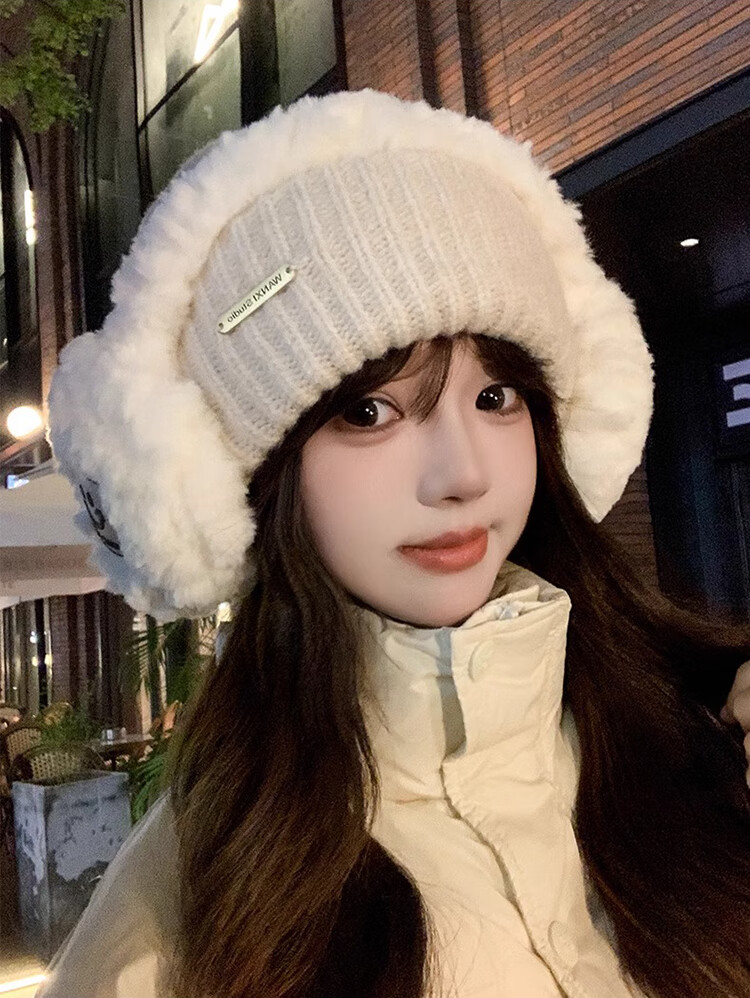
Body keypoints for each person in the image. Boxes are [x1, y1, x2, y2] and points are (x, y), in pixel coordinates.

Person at [38, 89, 749, 998]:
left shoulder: (706, 743)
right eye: (369, 411)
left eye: (496, 397)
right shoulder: (188, 906)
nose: (463, 474)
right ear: (258, 478)